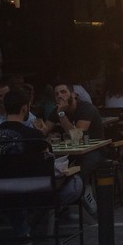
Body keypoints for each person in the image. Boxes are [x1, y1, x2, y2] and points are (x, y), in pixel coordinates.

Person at [0, 89, 83, 238]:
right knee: (75, 181)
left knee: (13, 187)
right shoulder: (35, 137)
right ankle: (34, 221)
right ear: (25, 108)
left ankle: (22, 227)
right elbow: (48, 165)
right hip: (35, 196)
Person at [46, 81, 104, 216]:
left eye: (63, 92)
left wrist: (61, 115)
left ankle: (82, 191)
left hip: (95, 150)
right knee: (53, 167)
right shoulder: (57, 111)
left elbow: (77, 137)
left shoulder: (86, 109)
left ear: (74, 95)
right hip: (71, 152)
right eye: (56, 94)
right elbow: (43, 131)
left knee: (78, 170)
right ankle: (63, 200)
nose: (60, 96)